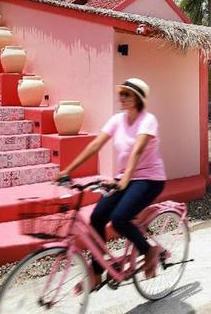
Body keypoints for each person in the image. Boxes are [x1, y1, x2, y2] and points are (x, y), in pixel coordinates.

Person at [56, 77, 166, 288]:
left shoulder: (148, 120)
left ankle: (148, 250)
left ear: (138, 98)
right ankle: (97, 272)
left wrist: (125, 178)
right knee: (97, 217)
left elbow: (137, 150)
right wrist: (67, 170)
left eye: (127, 94)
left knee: (118, 219)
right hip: (123, 179)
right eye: (121, 93)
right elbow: (95, 145)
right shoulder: (117, 120)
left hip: (149, 179)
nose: (121, 97)